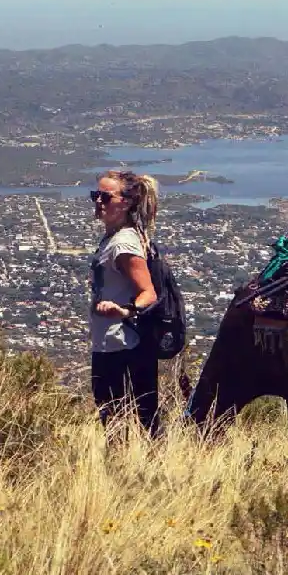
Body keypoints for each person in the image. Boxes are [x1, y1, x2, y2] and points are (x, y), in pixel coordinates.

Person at [89, 169, 161, 437]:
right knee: (121, 424)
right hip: (110, 345)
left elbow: (148, 293)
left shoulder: (124, 244)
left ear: (127, 202)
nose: (98, 202)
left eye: (106, 197)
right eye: (96, 195)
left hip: (123, 348)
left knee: (126, 425)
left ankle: (136, 473)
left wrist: (124, 311)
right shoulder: (114, 238)